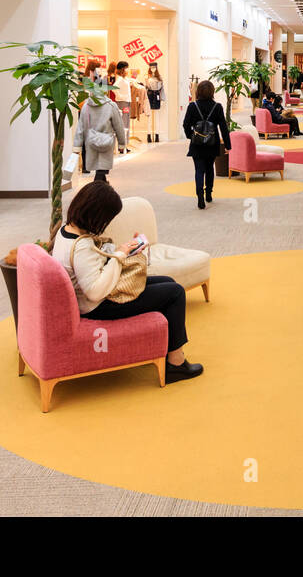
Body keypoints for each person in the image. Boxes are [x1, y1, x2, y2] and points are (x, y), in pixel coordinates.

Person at [50, 181, 202, 382]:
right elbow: (95, 292)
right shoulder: (82, 246)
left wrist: (124, 250)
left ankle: (163, 346)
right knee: (175, 293)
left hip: (94, 298)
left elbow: (92, 263)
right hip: (98, 306)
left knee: (168, 281)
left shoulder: (67, 232)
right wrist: (120, 257)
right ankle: (175, 363)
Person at [184, 79, 231, 210]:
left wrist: (191, 136)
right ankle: (209, 194)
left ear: (198, 91)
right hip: (212, 143)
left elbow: (186, 124)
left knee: (199, 169)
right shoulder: (217, 107)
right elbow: (223, 127)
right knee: (210, 168)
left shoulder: (192, 106)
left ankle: (200, 196)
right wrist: (227, 145)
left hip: (197, 144)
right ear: (212, 92)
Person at [74, 85, 126, 184]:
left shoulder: (86, 106)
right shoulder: (111, 105)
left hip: (91, 142)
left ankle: (102, 192)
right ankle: (96, 193)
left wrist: (77, 146)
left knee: (100, 172)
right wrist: (121, 143)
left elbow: (81, 127)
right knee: (101, 171)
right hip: (106, 142)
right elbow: (118, 126)